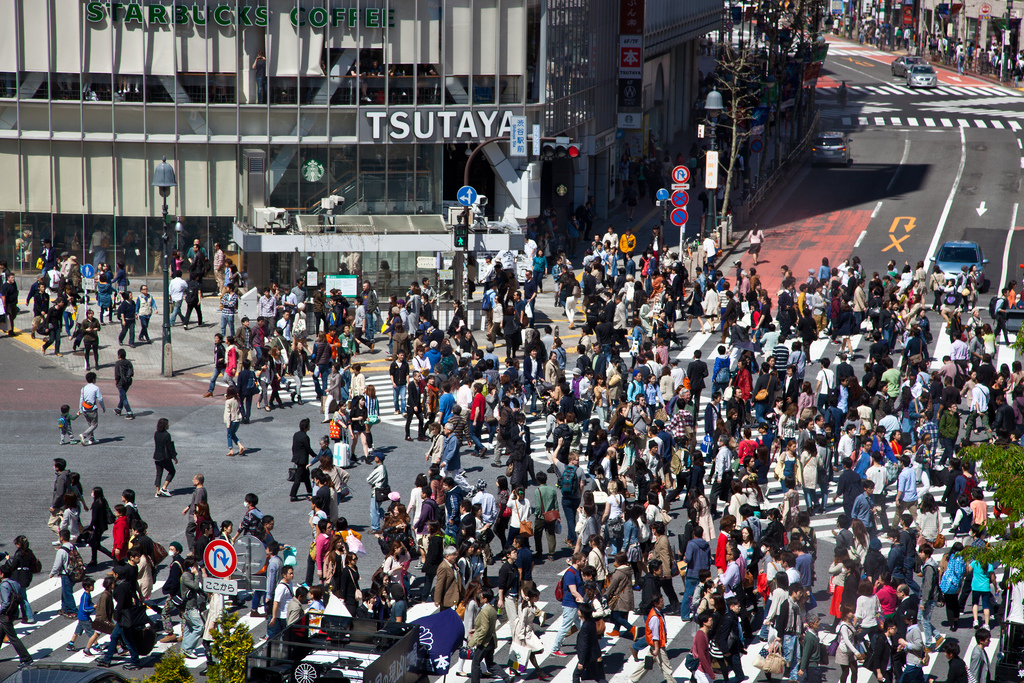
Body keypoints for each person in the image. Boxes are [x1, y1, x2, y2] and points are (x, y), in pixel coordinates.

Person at [469, 588, 512, 683]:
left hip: (485, 642)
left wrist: (477, 641)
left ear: (485, 599)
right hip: (491, 640)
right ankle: (506, 678)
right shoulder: (491, 609)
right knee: (490, 663)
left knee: (475, 663)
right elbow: (486, 625)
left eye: (481, 597)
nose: (479, 598)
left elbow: (484, 629)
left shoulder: (485, 611)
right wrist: (476, 629)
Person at [551, 552, 586, 657]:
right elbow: (573, 591)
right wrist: (584, 602)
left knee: (583, 626)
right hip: (570, 605)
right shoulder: (571, 573)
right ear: (577, 561)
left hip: (575, 605)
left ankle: (587, 645)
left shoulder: (577, 571)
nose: (586, 562)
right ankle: (555, 648)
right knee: (565, 627)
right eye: (584, 560)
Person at [0, 563, 33, 665]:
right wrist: (24, 614)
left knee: (13, 637)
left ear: (2, 574)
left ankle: (26, 657)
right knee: (1, 634)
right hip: (14, 612)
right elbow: (22, 599)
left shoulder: (4, 585)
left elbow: (6, 602)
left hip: (6, 614)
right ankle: (26, 657)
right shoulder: (16, 583)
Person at [290, 418, 316, 501]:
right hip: (303, 460)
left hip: (297, 458)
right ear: (306, 427)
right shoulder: (305, 437)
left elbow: (293, 447)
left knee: (306, 475)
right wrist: (315, 456)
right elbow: (308, 449)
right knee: (298, 477)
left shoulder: (296, 434)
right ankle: (293, 495)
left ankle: (310, 491)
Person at [78, 371, 105, 446]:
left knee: (90, 425)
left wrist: (80, 409)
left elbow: (81, 399)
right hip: (92, 409)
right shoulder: (96, 388)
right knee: (94, 425)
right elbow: (100, 399)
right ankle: (84, 435)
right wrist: (103, 407)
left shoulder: (83, 388)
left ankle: (91, 439)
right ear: (93, 379)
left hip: (84, 409)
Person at [153, 417, 178, 498]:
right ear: (164, 425)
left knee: (159, 474)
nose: (168, 425)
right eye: (167, 424)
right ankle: (164, 488)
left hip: (157, 457)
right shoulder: (167, 435)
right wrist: (174, 457)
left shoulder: (156, 433)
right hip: (164, 457)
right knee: (172, 471)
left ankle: (157, 492)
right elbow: (169, 447)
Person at [113, 348, 135, 419]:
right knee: (123, 395)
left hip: (121, 382)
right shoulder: (129, 363)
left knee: (123, 397)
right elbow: (132, 372)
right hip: (128, 382)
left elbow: (117, 374)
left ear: (119, 355)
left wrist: (117, 382)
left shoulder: (118, 363)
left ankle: (129, 412)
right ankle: (119, 409)